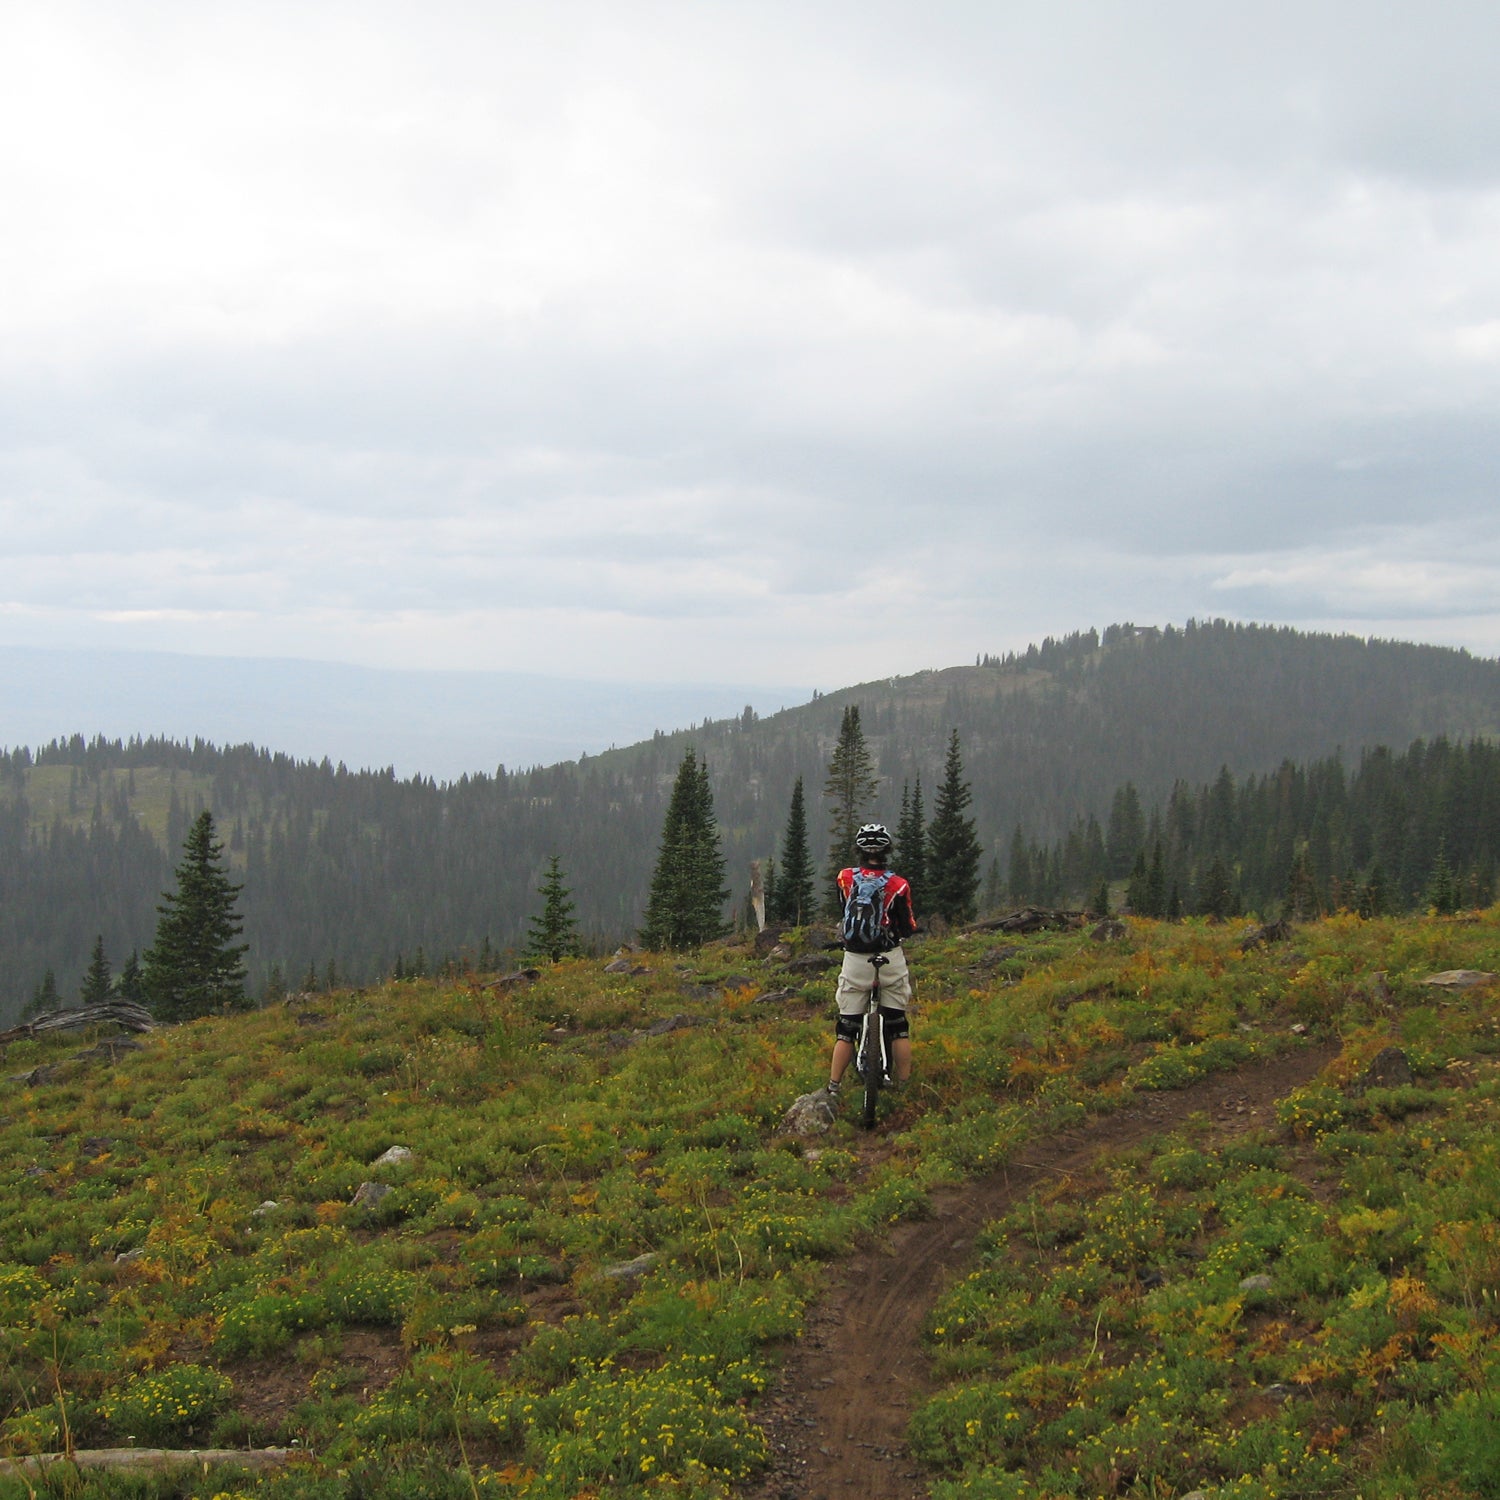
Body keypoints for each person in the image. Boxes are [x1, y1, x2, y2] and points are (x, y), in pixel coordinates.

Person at [827, 822, 917, 1097]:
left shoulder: (844, 878)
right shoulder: (899, 885)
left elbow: (844, 911)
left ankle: (833, 1087)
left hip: (855, 960)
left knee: (846, 1028)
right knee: (898, 1024)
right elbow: (907, 925)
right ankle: (903, 1086)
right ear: (887, 849)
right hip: (888, 958)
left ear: (859, 849)